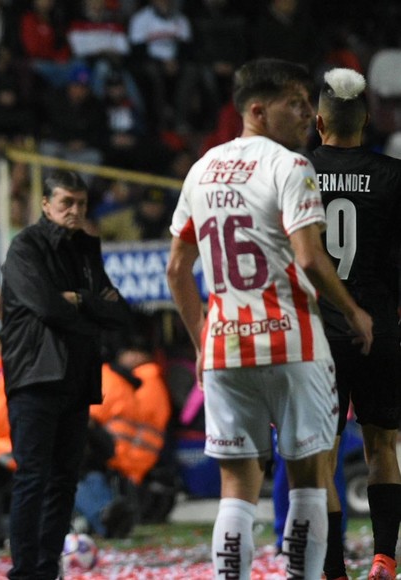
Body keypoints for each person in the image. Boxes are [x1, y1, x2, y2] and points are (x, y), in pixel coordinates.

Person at [165, 58, 373, 580]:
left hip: (224, 347)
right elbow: (309, 257)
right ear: (257, 110)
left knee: (237, 489)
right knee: (309, 480)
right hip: (293, 343)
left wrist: (201, 342)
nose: (307, 114)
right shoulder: (291, 166)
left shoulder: (201, 169)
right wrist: (353, 311)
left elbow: (176, 269)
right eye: (295, 104)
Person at [1, 169, 133, 579]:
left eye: (81, 203)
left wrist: (79, 299)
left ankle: (47, 569)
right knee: (32, 478)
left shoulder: (86, 250)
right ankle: (25, 573)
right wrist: (91, 308)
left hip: (77, 378)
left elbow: (119, 313)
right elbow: (46, 307)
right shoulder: (25, 246)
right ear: (46, 204)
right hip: (36, 377)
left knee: (63, 481)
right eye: (66, 203)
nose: (75, 210)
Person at [310, 67, 401, 580]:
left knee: (321, 455)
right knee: (382, 445)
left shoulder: (296, 170)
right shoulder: (393, 175)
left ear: (319, 122)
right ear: (366, 121)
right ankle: (385, 557)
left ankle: (332, 569)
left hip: (318, 334)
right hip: (379, 327)